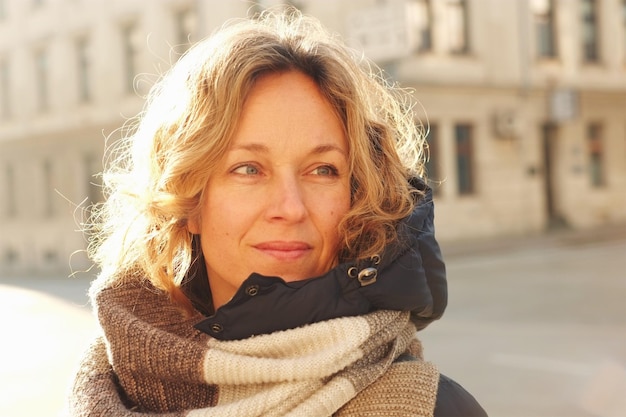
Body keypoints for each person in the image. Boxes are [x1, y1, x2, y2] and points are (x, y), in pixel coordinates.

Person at [67, 7, 487, 417]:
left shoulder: (431, 408)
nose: (290, 207)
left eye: (323, 170)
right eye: (248, 169)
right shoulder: (108, 388)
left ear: (357, 196)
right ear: (187, 198)